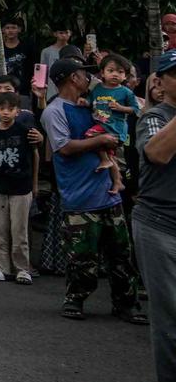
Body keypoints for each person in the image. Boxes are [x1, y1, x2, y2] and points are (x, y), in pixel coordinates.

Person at [40, 57, 146, 323]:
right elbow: (64, 147)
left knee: (121, 254)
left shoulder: (93, 102)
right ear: (73, 78)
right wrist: (101, 140)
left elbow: (124, 101)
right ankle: (75, 299)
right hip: (79, 195)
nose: (89, 78)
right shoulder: (54, 111)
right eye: (83, 74)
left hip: (109, 192)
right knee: (82, 257)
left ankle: (126, 303)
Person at [134, 50, 176, 382]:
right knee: (170, 314)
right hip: (159, 224)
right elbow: (158, 154)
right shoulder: (153, 118)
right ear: (159, 83)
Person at [0, 91, 39, 284]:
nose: (5, 112)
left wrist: (35, 183)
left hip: (21, 185)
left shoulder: (24, 130)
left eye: (10, 109)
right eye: (1, 108)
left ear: (17, 111)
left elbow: (35, 155)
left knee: (19, 230)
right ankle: (2, 268)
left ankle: (22, 268)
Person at [87, 53, 138, 195]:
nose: (115, 74)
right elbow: (90, 101)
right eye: (111, 70)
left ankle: (104, 160)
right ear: (102, 73)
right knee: (111, 157)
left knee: (89, 135)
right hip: (102, 126)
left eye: (120, 72)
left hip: (115, 128)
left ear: (125, 76)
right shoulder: (97, 88)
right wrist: (84, 102)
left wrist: (121, 108)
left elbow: (135, 110)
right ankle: (117, 182)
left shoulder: (126, 92)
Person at [2, 18, 36, 103]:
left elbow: (34, 67)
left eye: (13, 28)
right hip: (3, 90)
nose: (10, 31)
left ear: (19, 29)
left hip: (24, 90)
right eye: (7, 28)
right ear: (3, 30)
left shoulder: (27, 47)